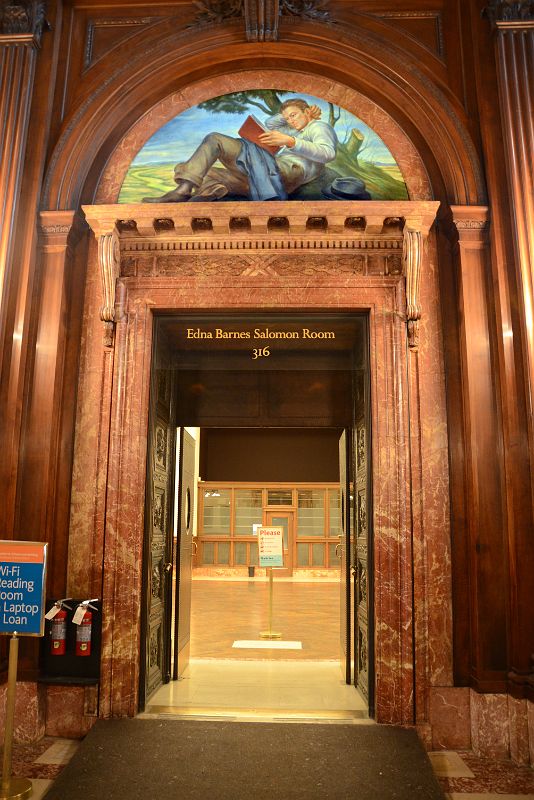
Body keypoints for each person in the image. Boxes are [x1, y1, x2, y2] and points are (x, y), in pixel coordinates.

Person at [143, 98, 338, 202]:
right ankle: (196, 190)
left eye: (295, 115)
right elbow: (271, 122)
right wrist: (287, 117)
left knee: (215, 139)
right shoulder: (291, 127)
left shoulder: (318, 127)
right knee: (205, 170)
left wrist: (290, 141)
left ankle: (184, 191)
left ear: (307, 112)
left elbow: (328, 153)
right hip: (262, 173)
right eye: (288, 118)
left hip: (288, 172)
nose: (291, 120)